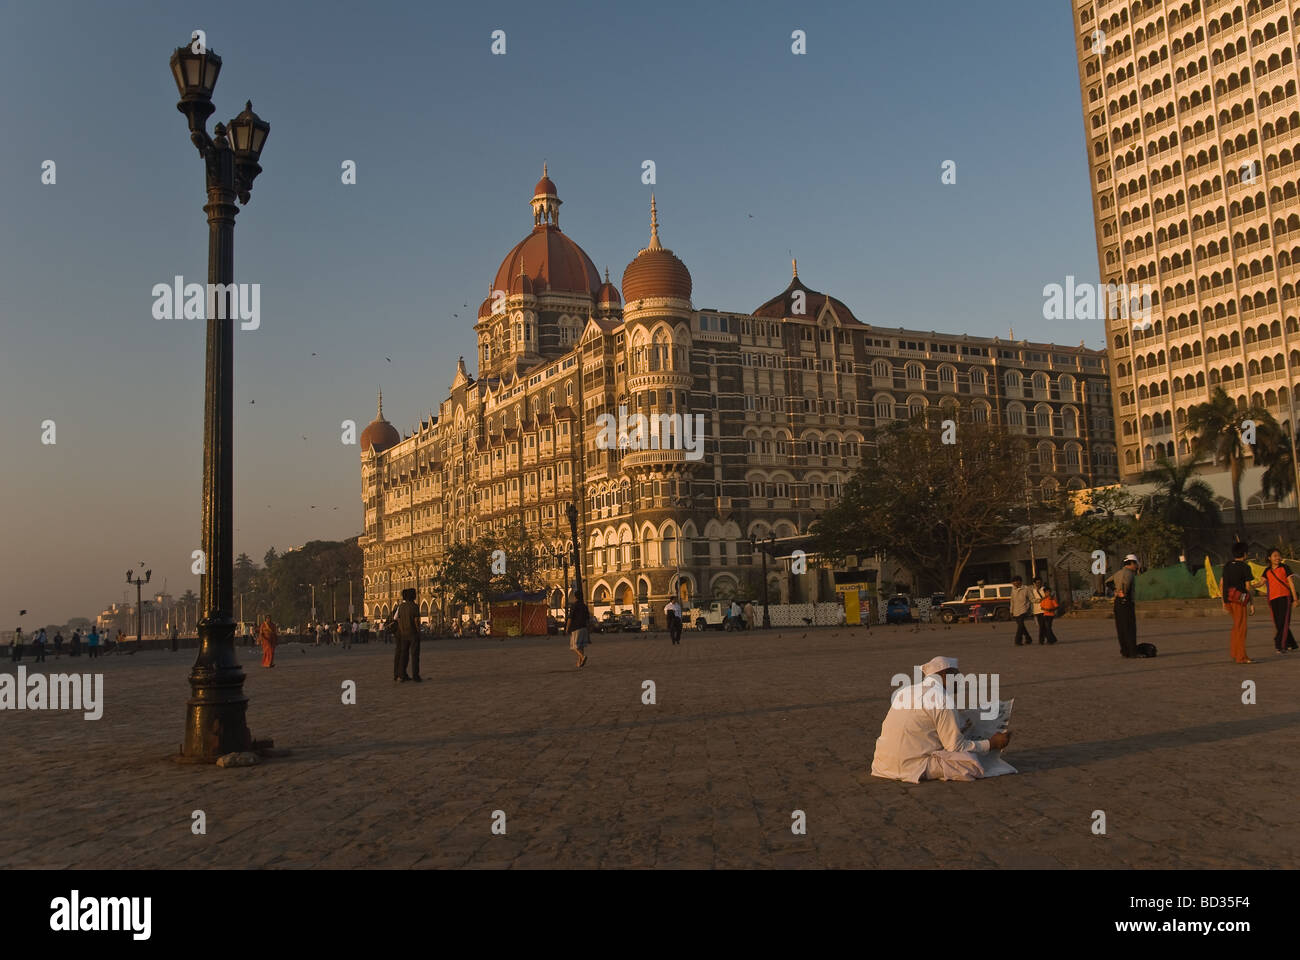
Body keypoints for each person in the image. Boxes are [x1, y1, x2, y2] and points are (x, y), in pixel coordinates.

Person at [871, 656, 1014, 782]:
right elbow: (955, 747)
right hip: (911, 766)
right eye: (957, 676)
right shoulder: (942, 699)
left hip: (882, 763)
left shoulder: (905, 691)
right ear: (945, 674)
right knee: (971, 764)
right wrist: (990, 743)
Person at [1221, 542, 1258, 664]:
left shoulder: (1227, 565)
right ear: (1245, 554)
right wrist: (1251, 603)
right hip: (1239, 600)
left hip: (1228, 599)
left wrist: (1223, 602)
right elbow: (1248, 587)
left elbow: (1222, 583)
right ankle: (1241, 656)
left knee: (1236, 627)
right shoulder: (1245, 567)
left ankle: (1235, 653)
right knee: (1241, 627)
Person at [1262, 548, 1299, 654]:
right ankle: (1292, 644)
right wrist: (1252, 585)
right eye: (1275, 556)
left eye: (1279, 555)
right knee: (1279, 623)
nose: (1277, 558)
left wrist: (1295, 599)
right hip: (1273, 599)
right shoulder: (1267, 570)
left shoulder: (1285, 567)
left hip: (1285, 597)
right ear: (1269, 558)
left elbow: (1291, 583)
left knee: (1283, 622)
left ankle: (1280, 645)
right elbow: (1261, 582)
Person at [390, 588, 421, 682]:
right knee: (415, 655)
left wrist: (402, 629)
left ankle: (402, 674)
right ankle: (415, 676)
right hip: (413, 633)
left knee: (404, 654)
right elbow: (416, 620)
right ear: (412, 596)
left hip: (404, 634)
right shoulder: (414, 606)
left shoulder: (401, 606)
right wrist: (418, 630)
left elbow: (398, 619)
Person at [1112, 555, 1140, 658]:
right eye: (1136, 564)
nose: (1136, 566)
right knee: (1129, 627)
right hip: (1125, 602)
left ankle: (1125, 651)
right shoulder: (1128, 573)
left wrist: (1115, 591)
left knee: (1121, 628)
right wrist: (1123, 594)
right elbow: (1125, 585)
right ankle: (1132, 652)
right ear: (1131, 563)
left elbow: (1108, 582)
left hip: (1118, 603)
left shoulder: (1118, 573)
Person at [567, 590, 591, 668]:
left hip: (576, 628)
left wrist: (567, 628)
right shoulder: (584, 606)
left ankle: (582, 657)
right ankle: (579, 662)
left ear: (575, 597)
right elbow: (588, 618)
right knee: (581, 645)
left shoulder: (574, 606)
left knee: (574, 646)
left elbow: (570, 618)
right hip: (584, 627)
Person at [1010, 576, 1033, 646]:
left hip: (1023, 609)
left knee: (1020, 626)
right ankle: (1028, 638)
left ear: (1020, 581)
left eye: (1015, 581)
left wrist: (1028, 608)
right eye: (1013, 582)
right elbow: (1012, 601)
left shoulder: (1026, 589)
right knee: (1021, 626)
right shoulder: (1013, 589)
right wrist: (1011, 610)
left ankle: (1018, 640)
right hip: (1015, 610)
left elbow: (1031, 598)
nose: (1014, 583)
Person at [1030, 577, 1048, 645]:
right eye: (1037, 583)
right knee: (1041, 626)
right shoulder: (1032, 590)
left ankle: (1045, 639)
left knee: (1044, 626)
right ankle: (1046, 639)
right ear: (1034, 583)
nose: (1038, 584)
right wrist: (1040, 600)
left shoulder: (1044, 589)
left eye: (1040, 582)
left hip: (1045, 610)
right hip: (1037, 610)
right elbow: (1032, 600)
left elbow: (1048, 596)